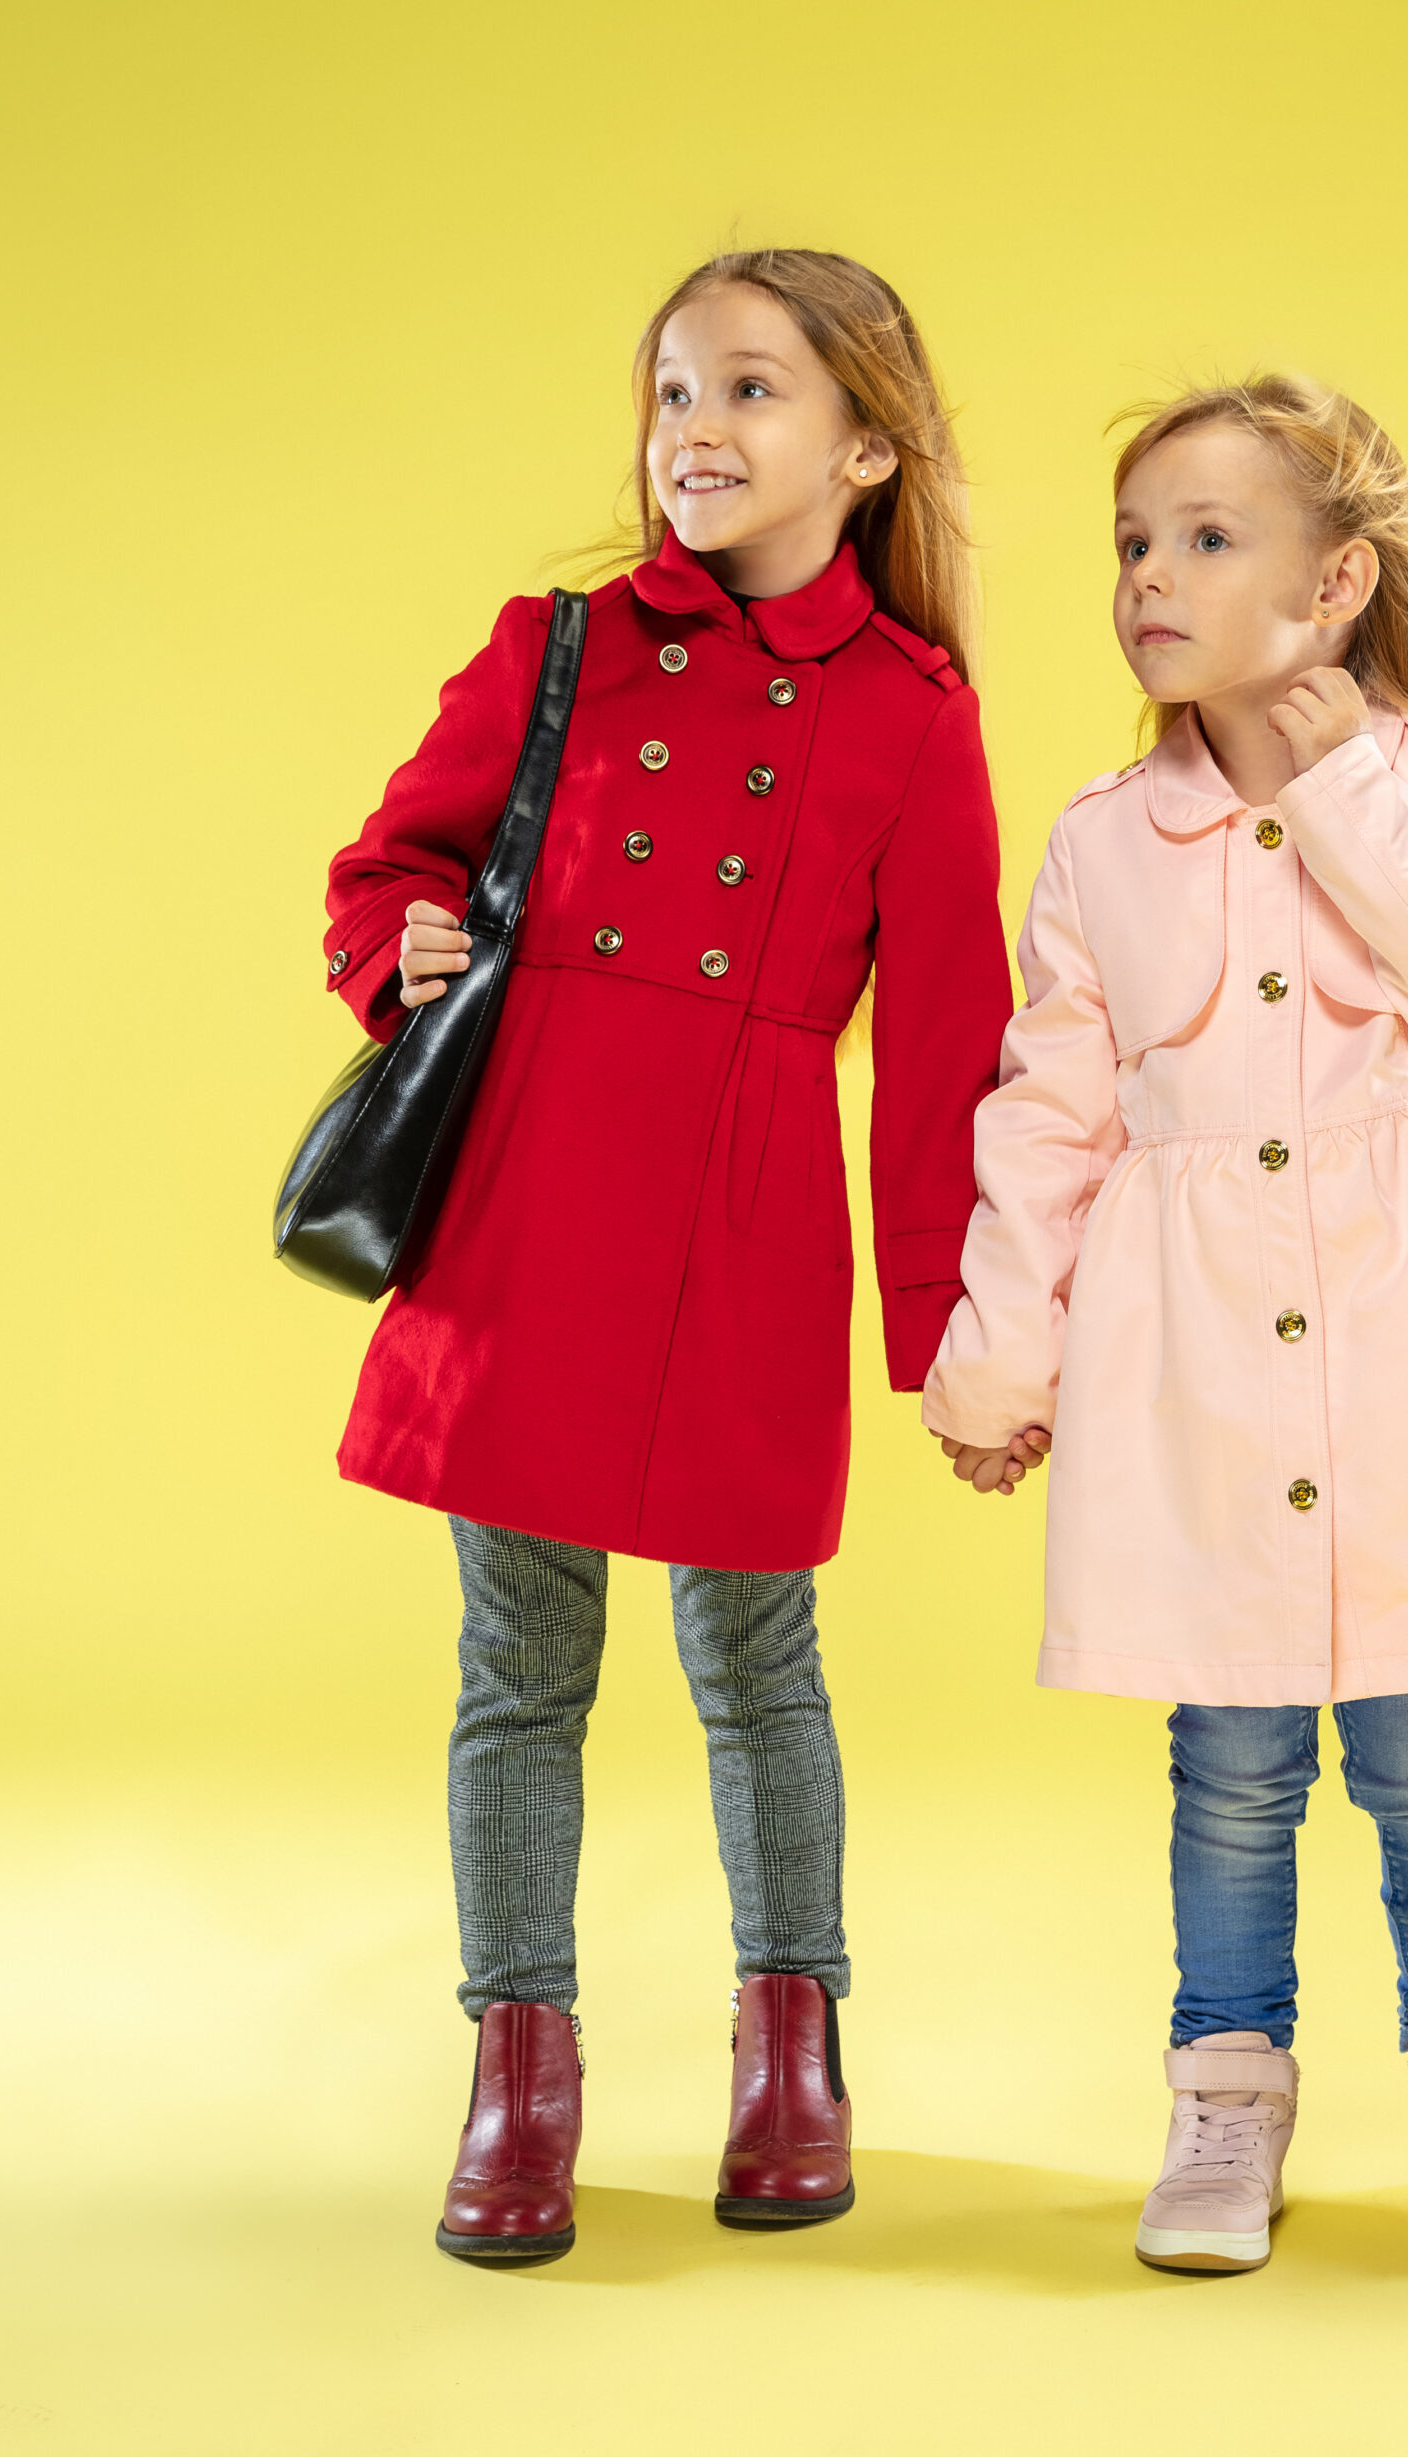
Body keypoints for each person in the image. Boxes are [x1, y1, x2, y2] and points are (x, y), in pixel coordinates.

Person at [924, 375, 1408, 2272]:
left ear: (1337, 581)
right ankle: (1222, 2100)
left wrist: (1341, 794)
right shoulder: (1104, 841)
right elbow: (1051, 1111)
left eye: (1203, 537)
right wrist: (999, 1355)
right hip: (1194, 1364)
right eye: (1130, 543)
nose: (1148, 579)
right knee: (1231, 1757)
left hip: (1403, 1346)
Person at [321, 249, 1013, 2264]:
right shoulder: (558, 643)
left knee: (753, 1656)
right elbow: (394, 859)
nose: (691, 432)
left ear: (866, 445)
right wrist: (406, 945)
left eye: (747, 392)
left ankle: (791, 2047)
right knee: (515, 1662)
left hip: (744, 1218)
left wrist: (949, 1337)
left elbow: (946, 1046)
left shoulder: (909, 709)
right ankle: (517, 2070)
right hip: (527, 1206)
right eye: (669, 394)